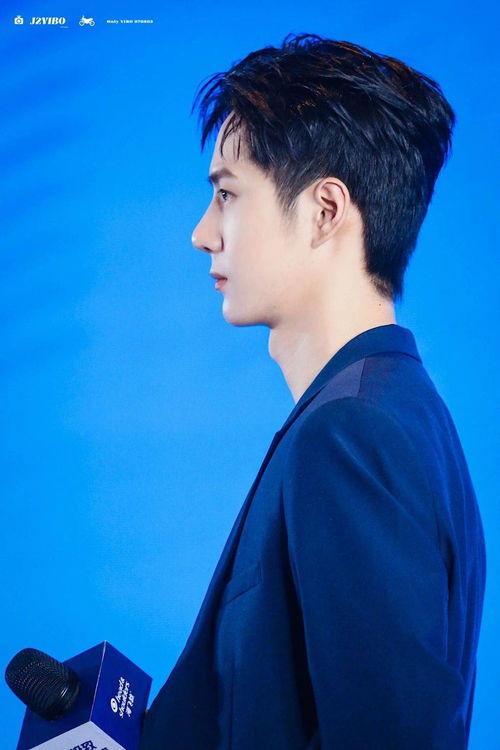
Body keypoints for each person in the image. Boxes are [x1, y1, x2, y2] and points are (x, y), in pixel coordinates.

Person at [139, 33, 486, 749]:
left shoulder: (352, 432)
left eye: (227, 195)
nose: (203, 233)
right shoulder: (395, 410)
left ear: (326, 210)